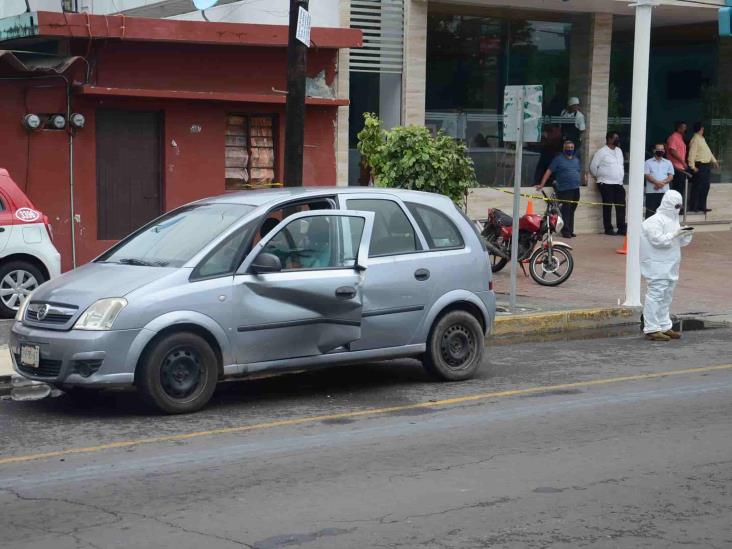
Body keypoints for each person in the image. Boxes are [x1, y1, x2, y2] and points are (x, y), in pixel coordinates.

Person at [640, 190, 693, 341]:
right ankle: (651, 328)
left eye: (680, 206)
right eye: (676, 205)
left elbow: (678, 243)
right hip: (656, 265)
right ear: (667, 204)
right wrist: (675, 234)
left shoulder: (673, 220)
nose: (678, 209)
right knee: (656, 295)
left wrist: (685, 234)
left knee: (666, 296)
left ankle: (664, 325)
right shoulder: (653, 221)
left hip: (671, 264)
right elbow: (659, 241)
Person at [536, 140, 585, 238]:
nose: (570, 149)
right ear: (564, 149)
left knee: (572, 210)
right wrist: (542, 184)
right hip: (564, 189)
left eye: (571, 148)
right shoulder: (558, 159)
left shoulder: (576, 160)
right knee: (565, 210)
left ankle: (570, 230)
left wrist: (583, 179)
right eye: (568, 148)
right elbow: (549, 171)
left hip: (575, 188)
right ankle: (565, 231)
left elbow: (579, 171)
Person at [590, 131, 626, 235]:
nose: (617, 140)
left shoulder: (619, 151)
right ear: (609, 139)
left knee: (621, 206)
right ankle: (608, 228)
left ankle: (621, 227)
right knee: (607, 206)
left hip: (618, 183)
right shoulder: (602, 152)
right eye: (615, 138)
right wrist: (601, 176)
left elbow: (620, 165)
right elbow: (593, 167)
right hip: (605, 183)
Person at [687, 122, 719, 213]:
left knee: (705, 186)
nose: (703, 130)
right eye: (703, 128)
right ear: (701, 129)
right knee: (698, 186)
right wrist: (692, 167)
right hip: (700, 165)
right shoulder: (695, 139)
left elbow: (708, 152)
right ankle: (694, 206)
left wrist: (714, 161)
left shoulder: (702, 139)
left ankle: (702, 206)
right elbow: (691, 154)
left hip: (706, 166)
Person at [644, 144, 674, 219]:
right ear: (654, 150)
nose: (660, 151)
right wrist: (657, 183)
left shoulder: (668, 162)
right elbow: (647, 175)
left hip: (665, 192)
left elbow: (671, 176)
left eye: (662, 149)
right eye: (658, 149)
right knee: (650, 213)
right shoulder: (648, 162)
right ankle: (648, 230)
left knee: (664, 214)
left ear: (664, 151)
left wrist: (661, 183)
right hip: (651, 192)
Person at [666, 121, 691, 210]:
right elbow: (672, 151)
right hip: (675, 167)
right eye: (684, 128)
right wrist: (683, 162)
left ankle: (678, 207)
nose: (685, 129)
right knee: (677, 189)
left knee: (680, 189)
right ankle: (675, 208)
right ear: (679, 128)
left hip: (680, 167)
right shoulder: (673, 137)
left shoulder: (680, 138)